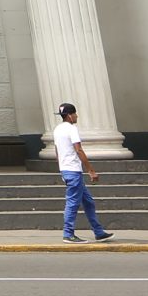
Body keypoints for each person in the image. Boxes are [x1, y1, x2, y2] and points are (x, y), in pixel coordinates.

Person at [55, 102, 113, 243]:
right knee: (72, 203)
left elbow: (57, 151)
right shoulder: (71, 129)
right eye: (75, 113)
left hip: (66, 169)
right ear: (69, 115)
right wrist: (91, 170)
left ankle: (98, 232)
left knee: (88, 202)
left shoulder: (57, 129)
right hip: (74, 171)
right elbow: (79, 150)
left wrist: (61, 168)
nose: (77, 116)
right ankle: (68, 234)